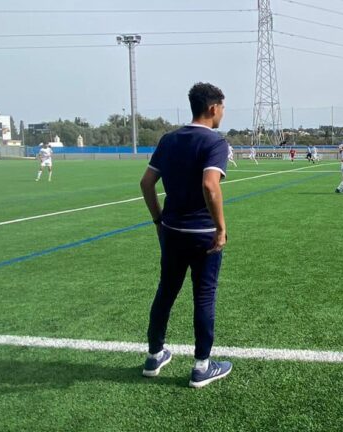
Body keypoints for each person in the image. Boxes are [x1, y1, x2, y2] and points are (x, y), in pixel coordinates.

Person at [139, 82, 232, 388]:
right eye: (222, 107)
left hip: (172, 231)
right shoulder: (215, 143)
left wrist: (157, 220)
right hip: (203, 233)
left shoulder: (169, 139)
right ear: (213, 108)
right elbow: (210, 185)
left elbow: (146, 183)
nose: (223, 112)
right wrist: (220, 228)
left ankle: (154, 356)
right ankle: (202, 367)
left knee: (166, 290)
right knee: (204, 294)